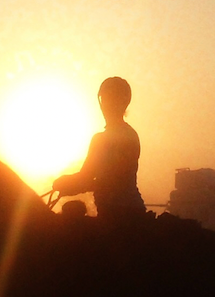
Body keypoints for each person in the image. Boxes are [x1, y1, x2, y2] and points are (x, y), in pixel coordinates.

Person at [52, 77, 147, 221]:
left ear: (122, 102)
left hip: (119, 216)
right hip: (124, 211)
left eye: (111, 99)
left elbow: (107, 182)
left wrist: (66, 183)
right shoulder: (128, 135)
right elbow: (90, 177)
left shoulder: (107, 139)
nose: (107, 105)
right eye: (106, 99)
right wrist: (69, 182)